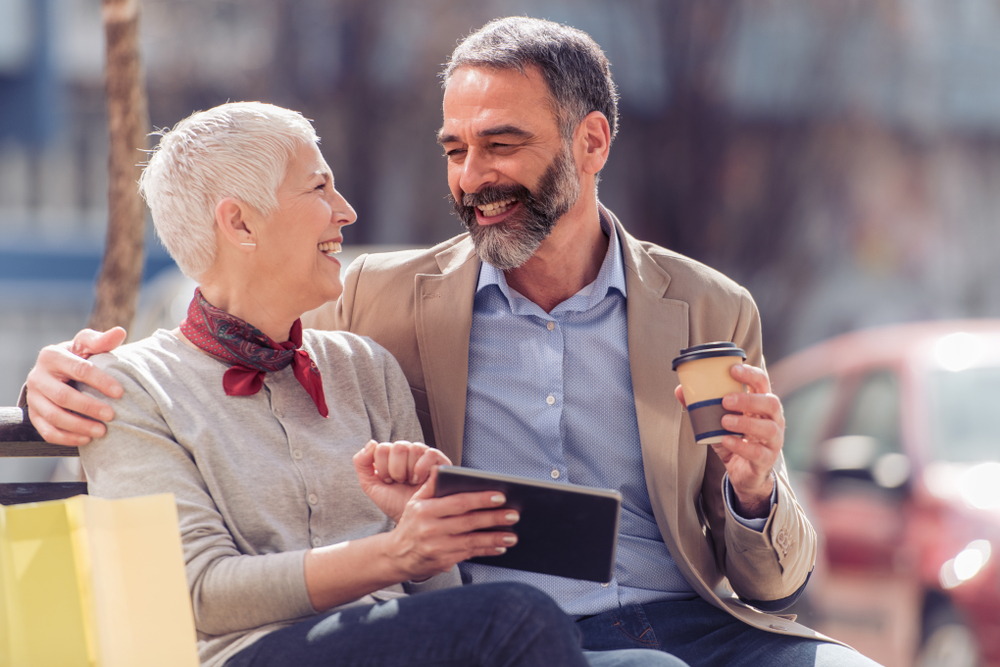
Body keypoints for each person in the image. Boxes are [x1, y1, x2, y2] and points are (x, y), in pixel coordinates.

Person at [25, 17, 881, 667]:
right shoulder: (375, 301)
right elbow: (221, 324)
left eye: (501, 145)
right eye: (455, 149)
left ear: (591, 144)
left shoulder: (707, 307)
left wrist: (756, 491)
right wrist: (54, 383)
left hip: (684, 615)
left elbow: (775, 579)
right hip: (513, 633)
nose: (472, 178)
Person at [64, 101, 680, 667]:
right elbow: (196, 594)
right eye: (319, 187)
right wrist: (392, 555)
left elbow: (435, 597)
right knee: (516, 614)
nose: (346, 211)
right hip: (247, 655)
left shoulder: (363, 367)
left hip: (396, 645)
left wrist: (427, 530)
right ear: (241, 224)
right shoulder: (129, 388)